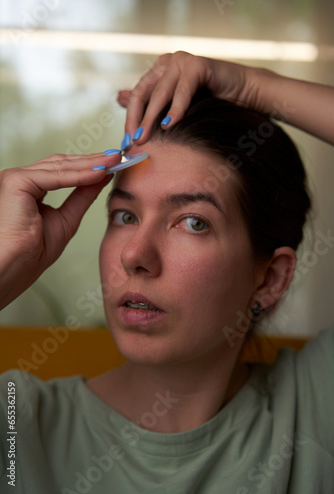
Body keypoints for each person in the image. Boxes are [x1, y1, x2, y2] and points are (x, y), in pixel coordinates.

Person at [0, 51, 333, 493]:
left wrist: (254, 86)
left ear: (271, 278)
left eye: (193, 222)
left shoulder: (314, 409)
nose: (136, 255)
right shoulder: (18, 423)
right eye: (125, 216)